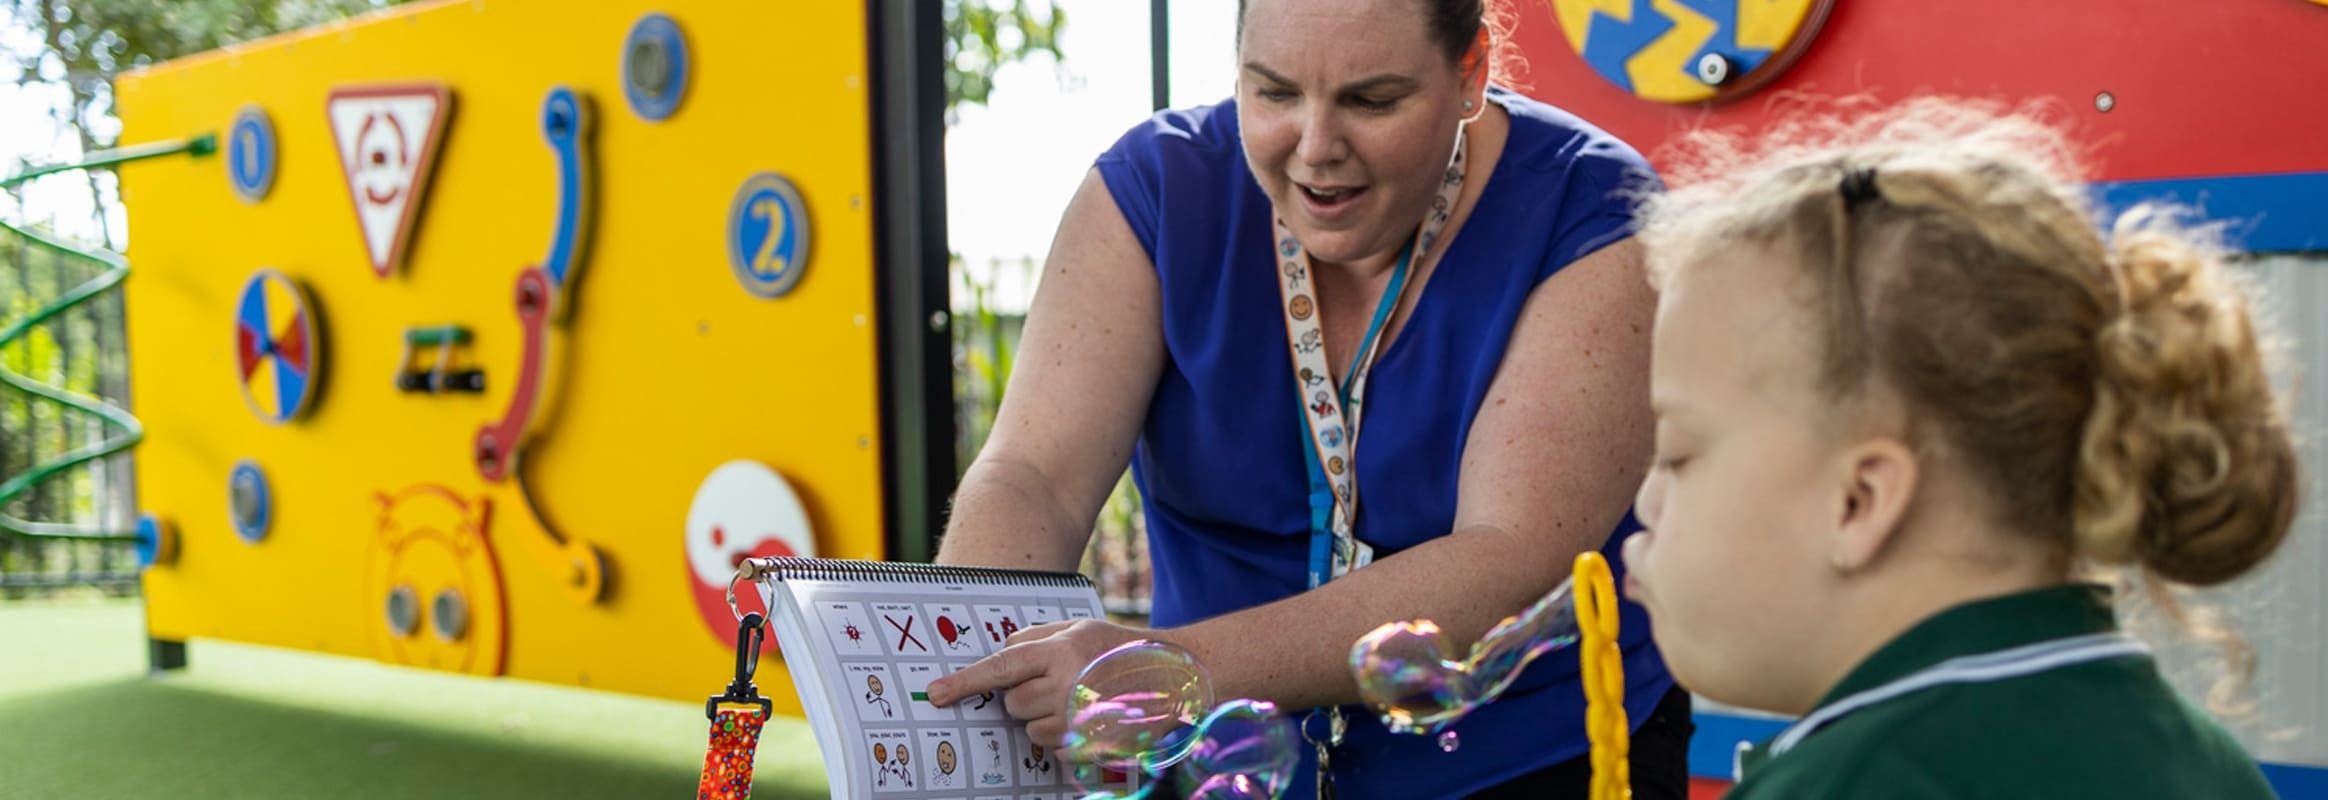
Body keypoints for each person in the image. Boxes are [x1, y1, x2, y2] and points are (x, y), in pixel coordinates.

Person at [925, 0, 1691, 796]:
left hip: (1535, 760)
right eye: (1274, 93)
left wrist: (1176, 669)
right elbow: (1033, 475)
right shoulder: (1153, 188)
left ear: (1471, 73)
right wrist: (974, 686)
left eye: (1373, 100)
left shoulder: (1594, 210)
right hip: (1207, 764)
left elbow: (1509, 554)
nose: (1317, 148)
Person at [1621, 99, 2296, 798]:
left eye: (1677, 455)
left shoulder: (1848, 784)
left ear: (1859, 500)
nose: (1647, 500)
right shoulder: (2207, 764)